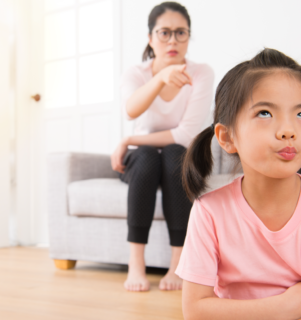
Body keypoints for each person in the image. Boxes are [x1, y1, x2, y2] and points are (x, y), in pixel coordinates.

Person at [176, 48, 301, 319]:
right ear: (227, 137)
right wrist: (284, 308)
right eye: (266, 113)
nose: (289, 130)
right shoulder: (210, 211)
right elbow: (195, 310)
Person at [110, 1, 214, 292]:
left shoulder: (201, 73)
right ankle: (136, 263)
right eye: (164, 32)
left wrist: (128, 139)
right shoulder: (136, 73)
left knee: (173, 155)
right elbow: (130, 110)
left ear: (189, 37)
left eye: (181, 33)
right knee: (146, 159)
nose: (172, 41)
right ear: (150, 37)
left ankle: (178, 264)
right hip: (141, 160)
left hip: (178, 156)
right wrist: (160, 78)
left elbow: (185, 134)